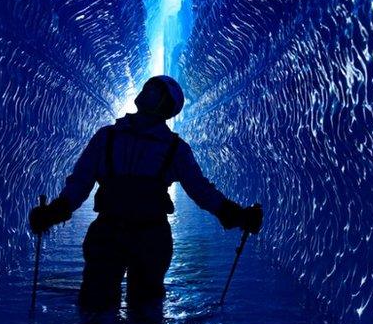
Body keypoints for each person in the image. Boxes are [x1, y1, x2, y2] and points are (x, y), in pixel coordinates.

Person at [29, 75, 263, 311]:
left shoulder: (170, 147)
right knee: (101, 308)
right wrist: (55, 211)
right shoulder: (108, 137)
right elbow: (80, 181)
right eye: (148, 86)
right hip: (127, 234)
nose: (147, 90)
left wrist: (233, 213)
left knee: (137, 311)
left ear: (165, 106)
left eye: (154, 90)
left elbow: (200, 189)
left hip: (140, 237)